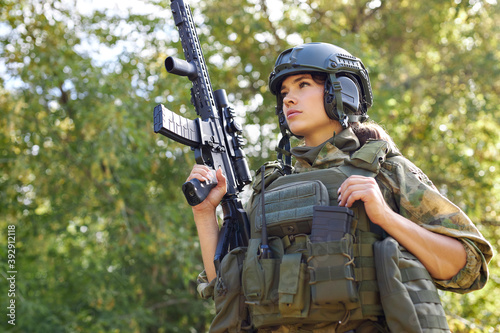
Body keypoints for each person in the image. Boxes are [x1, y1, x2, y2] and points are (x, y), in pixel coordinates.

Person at [187, 43, 493, 332]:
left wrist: (385, 217)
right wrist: (204, 214)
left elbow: (468, 267)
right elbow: (225, 290)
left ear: (340, 92)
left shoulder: (384, 171)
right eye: (284, 92)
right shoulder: (267, 189)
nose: (288, 99)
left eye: (303, 85)